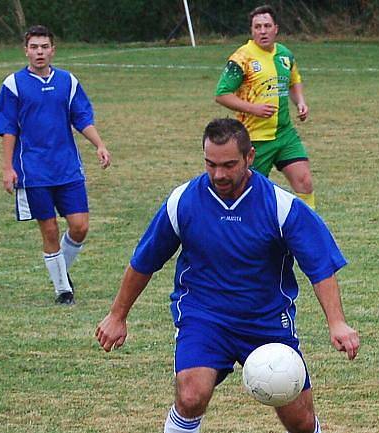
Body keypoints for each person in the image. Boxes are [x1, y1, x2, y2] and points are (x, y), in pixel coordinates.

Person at [95, 118, 359, 433]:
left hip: (266, 321)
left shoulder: (281, 206)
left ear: (250, 157)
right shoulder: (184, 201)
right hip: (204, 317)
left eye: (229, 164)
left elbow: (319, 267)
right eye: (211, 164)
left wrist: (337, 322)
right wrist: (117, 315)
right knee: (191, 395)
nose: (219, 174)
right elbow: (145, 261)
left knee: (300, 421)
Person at [0, 25, 111, 305]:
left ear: (53, 50)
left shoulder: (68, 81)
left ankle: (61, 273)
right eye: (34, 47)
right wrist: (7, 168)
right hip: (34, 172)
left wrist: (100, 144)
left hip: (67, 168)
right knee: (50, 231)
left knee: (80, 226)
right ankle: (63, 290)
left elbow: (81, 117)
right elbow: (8, 128)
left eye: (44, 47)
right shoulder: (13, 84)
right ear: (26, 51)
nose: (39, 52)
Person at [215, 4, 316, 209]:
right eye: (258, 27)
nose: (263, 31)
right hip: (255, 138)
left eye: (267, 26)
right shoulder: (241, 58)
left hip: (284, 134)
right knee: (248, 194)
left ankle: (306, 234)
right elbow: (222, 95)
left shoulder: (285, 55)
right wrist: (254, 109)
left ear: (276, 28)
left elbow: (293, 81)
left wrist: (301, 102)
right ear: (251, 31)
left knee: (304, 181)